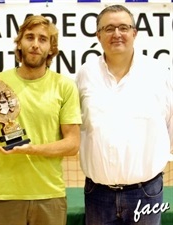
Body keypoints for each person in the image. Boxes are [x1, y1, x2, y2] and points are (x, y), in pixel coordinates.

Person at [0, 15, 81, 225]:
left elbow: (72, 144)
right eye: (30, 37)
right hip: (5, 196)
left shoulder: (64, 86)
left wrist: (30, 149)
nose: (35, 45)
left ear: (51, 47)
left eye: (42, 39)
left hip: (49, 195)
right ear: (20, 42)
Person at [76, 4, 173, 225]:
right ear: (98, 35)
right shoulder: (84, 74)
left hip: (146, 192)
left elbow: (170, 128)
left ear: (134, 33)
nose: (117, 34)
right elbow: (78, 126)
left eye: (123, 27)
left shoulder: (159, 73)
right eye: (108, 28)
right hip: (97, 194)